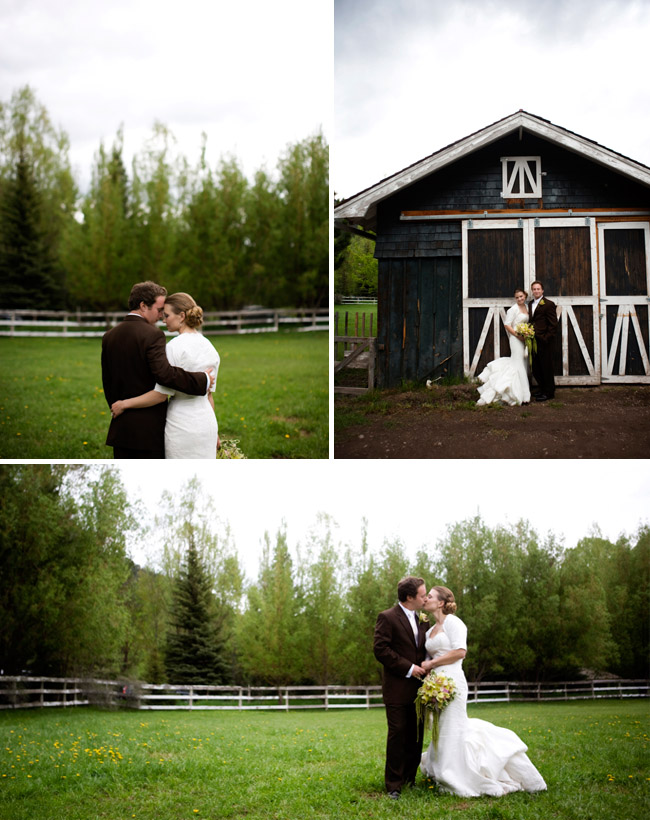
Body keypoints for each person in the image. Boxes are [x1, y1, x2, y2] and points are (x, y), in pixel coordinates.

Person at [419, 586, 547, 797]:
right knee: (441, 729)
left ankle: (456, 775)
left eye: (430, 596)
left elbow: (460, 652)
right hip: (436, 685)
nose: (426, 599)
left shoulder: (454, 622)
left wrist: (432, 664)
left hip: (453, 682)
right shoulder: (430, 629)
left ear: (441, 603)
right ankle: (443, 769)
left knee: (453, 727)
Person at [102, 281, 213, 459]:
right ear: (143, 306)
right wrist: (202, 380)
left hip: (121, 429)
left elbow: (107, 381)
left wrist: (119, 407)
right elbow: (165, 375)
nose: (161, 315)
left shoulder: (109, 336)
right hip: (150, 431)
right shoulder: (152, 334)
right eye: (159, 309)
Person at [373, 576, 429, 800]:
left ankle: (410, 779)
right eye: (423, 595)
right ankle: (393, 785)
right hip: (397, 688)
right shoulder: (387, 617)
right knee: (397, 735)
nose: (425, 599)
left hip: (420, 690)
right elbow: (381, 649)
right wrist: (409, 668)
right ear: (409, 597)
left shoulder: (423, 619)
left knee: (416, 736)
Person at [476, 288, 531, 406]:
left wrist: (526, 334)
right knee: (519, 364)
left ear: (525, 296)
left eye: (521, 296)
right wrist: (517, 335)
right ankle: (525, 395)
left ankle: (520, 390)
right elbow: (507, 324)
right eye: (517, 297)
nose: (519, 299)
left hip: (524, 338)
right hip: (516, 339)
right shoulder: (513, 309)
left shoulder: (526, 307)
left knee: (523, 363)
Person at [529, 280, 557, 401]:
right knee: (536, 366)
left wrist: (546, 338)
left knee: (546, 367)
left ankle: (549, 392)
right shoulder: (530, 304)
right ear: (532, 291)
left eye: (538, 289)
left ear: (542, 290)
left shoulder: (549, 304)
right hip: (532, 340)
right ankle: (541, 389)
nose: (536, 291)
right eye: (534, 289)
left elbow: (553, 324)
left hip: (544, 340)